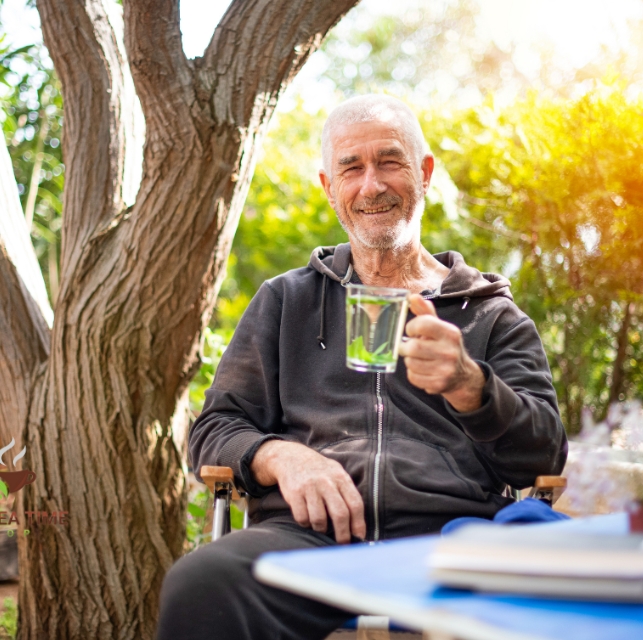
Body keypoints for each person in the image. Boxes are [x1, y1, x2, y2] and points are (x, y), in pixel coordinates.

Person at [155, 94, 567, 640]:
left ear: (423, 174)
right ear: (330, 188)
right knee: (201, 581)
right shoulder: (286, 302)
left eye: (389, 162)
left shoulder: (492, 314)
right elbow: (213, 431)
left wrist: (471, 386)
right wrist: (281, 457)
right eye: (351, 168)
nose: (371, 185)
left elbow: (543, 455)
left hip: (449, 544)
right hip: (310, 545)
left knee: (567, 594)